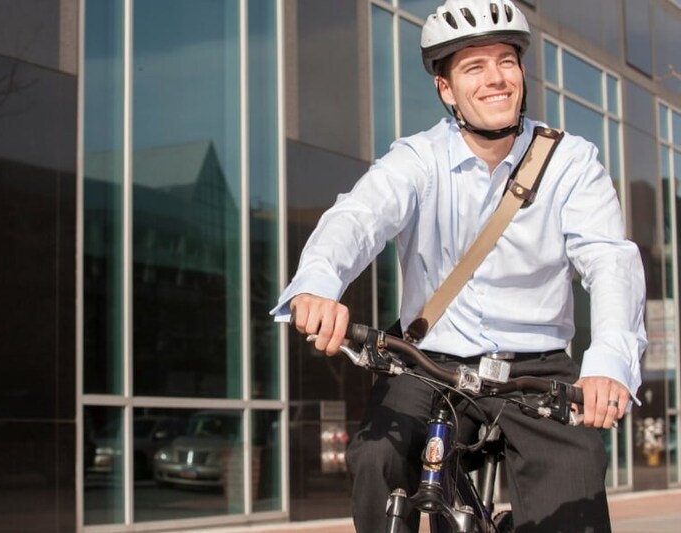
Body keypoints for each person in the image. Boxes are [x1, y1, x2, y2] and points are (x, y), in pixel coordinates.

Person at [270, 0, 647, 531]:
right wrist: (317, 286)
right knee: (376, 461)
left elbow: (610, 260)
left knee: (576, 492)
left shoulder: (572, 162)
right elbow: (357, 218)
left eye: (506, 61)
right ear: (446, 89)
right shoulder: (419, 159)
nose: (496, 78)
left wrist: (609, 360)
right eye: (474, 67)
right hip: (429, 364)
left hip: (536, 370)